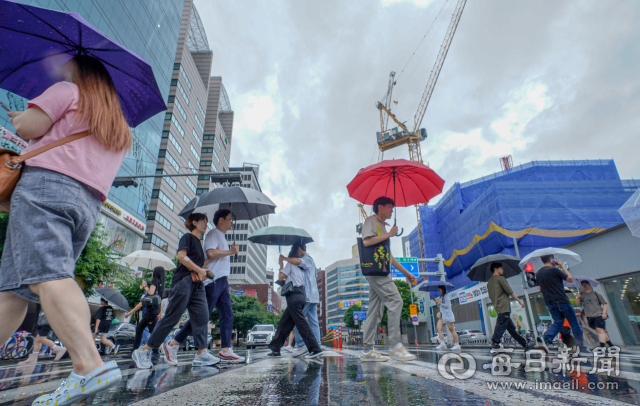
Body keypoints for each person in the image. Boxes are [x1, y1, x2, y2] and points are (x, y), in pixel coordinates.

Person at [0, 54, 128, 404]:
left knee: (47, 275)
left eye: (66, 66)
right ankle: (89, 363)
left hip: (45, 188)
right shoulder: (118, 125)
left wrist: (21, 117)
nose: (59, 71)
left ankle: (89, 364)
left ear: (80, 72)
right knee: (13, 289)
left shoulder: (68, 91)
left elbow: (29, 128)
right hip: (87, 203)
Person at [132, 213, 217, 369]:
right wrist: (199, 269)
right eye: (203, 221)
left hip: (197, 286)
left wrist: (207, 261)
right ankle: (144, 350)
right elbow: (181, 256)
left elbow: (198, 263)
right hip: (184, 282)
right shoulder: (188, 237)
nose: (206, 224)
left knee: (202, 315)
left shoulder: (199, 243)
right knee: (172, 317)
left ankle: (201, 353)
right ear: (194, 222)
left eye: (207, 221)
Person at [161, 209, 244, 365]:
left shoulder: (222, 236)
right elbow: (211, 253)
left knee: (227, 315)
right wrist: (230, 252)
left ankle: (225, 350)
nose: (231, 222)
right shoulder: (214, 233)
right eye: (229, 219)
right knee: (200, 317)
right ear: (221, 220)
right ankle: (173, 343)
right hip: (213, 281)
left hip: (222, 281)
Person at [360, 197, 417, 362]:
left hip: (378, 270)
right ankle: (395, 346)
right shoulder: (371, 220)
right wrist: (390, 234)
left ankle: (366, 350)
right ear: (380, 207)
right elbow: (366, 241)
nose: (392, 210)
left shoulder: (383, 227)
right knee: (396, 301)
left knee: (375, 311)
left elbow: (389, 257)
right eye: (390, 207)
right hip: (376, 271)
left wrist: (406, 273)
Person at [267, 246, 323, 358]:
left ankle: (312, 348)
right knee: (285, 322)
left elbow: (280, 277)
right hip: (303, 296)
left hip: (296, 296)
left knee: (300, 323)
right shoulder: (302, 267)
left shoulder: (295, 263)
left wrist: (282, 261)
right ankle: (276, 348)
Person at [535, 254, 589, 354]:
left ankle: (546, 338)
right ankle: (581, 348)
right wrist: (562, 266)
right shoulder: (555, 270)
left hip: (550, 302)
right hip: (561, 300)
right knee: (574, 324)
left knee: (558, 323)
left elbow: (540, 288)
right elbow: (570, 279)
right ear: (552, 260)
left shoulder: (538, 273)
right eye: (554, 259)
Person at [486, 262, 534, 351]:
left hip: (497, 306)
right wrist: (519, 301)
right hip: (504, 306)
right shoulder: (501, 279)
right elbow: (510, 291)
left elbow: (490, 296)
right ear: (496, 269)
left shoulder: (489, 282)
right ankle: (495, 341)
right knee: (501, 324)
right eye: (501, 268)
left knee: (511, 329)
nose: (503, 270)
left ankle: (524, 344)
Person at [127, 267, 165, 351]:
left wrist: (145, 286)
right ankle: (136, 349)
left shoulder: (155, 281)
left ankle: (155, 351)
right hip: (154, 311)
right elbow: (160, 300)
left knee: (151, 332)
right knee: (140, 328)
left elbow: (151, 292)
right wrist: (160, 313)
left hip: (151, 311)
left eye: (153, 271)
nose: (152, 272)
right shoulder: (161, 284)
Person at [576, 280, 614, 348]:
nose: (584, 285)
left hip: (598, 314)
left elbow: (605, 304)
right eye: (583, 284)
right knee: (600, 331)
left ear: (589, 285)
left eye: (586, 284)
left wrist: (604, 313)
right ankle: (611, 345)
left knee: (600, 330)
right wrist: (578, 297)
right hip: (589, 316)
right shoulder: (581, 295)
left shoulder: (596, 294)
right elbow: (578, 304)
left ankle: (601, 347)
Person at [434, 286, 461, 351]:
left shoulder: (446, 296)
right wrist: (437, 302)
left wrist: (440, 302)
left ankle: (457, 345)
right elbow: (440, 306)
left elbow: (447, 305)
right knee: (438, 328)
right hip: (443, 316)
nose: (439, 291)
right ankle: (442, 343)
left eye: (439, 290)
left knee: (451, 330)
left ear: (442, 289)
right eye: (438, 290)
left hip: (448, 315)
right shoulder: (441, 297)